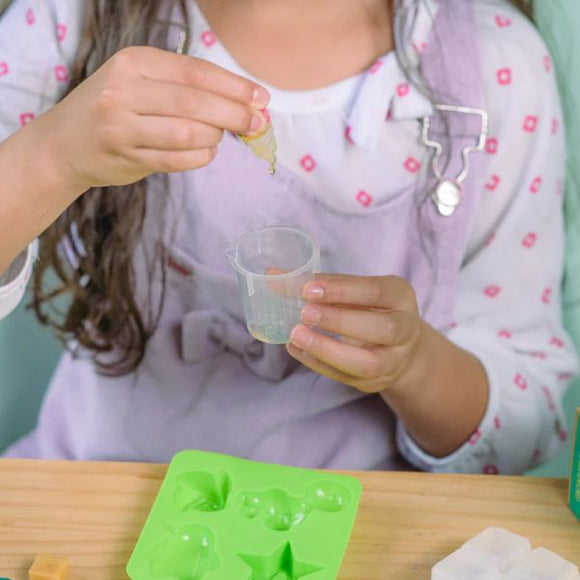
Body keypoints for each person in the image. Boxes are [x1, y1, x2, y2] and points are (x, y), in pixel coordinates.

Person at [0, 0, 576, 473]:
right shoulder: (73, 19)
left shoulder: (497, 68)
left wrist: (414, 365)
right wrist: (51, 157)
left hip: (365, 533)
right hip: (93, 493)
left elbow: (529, 418)